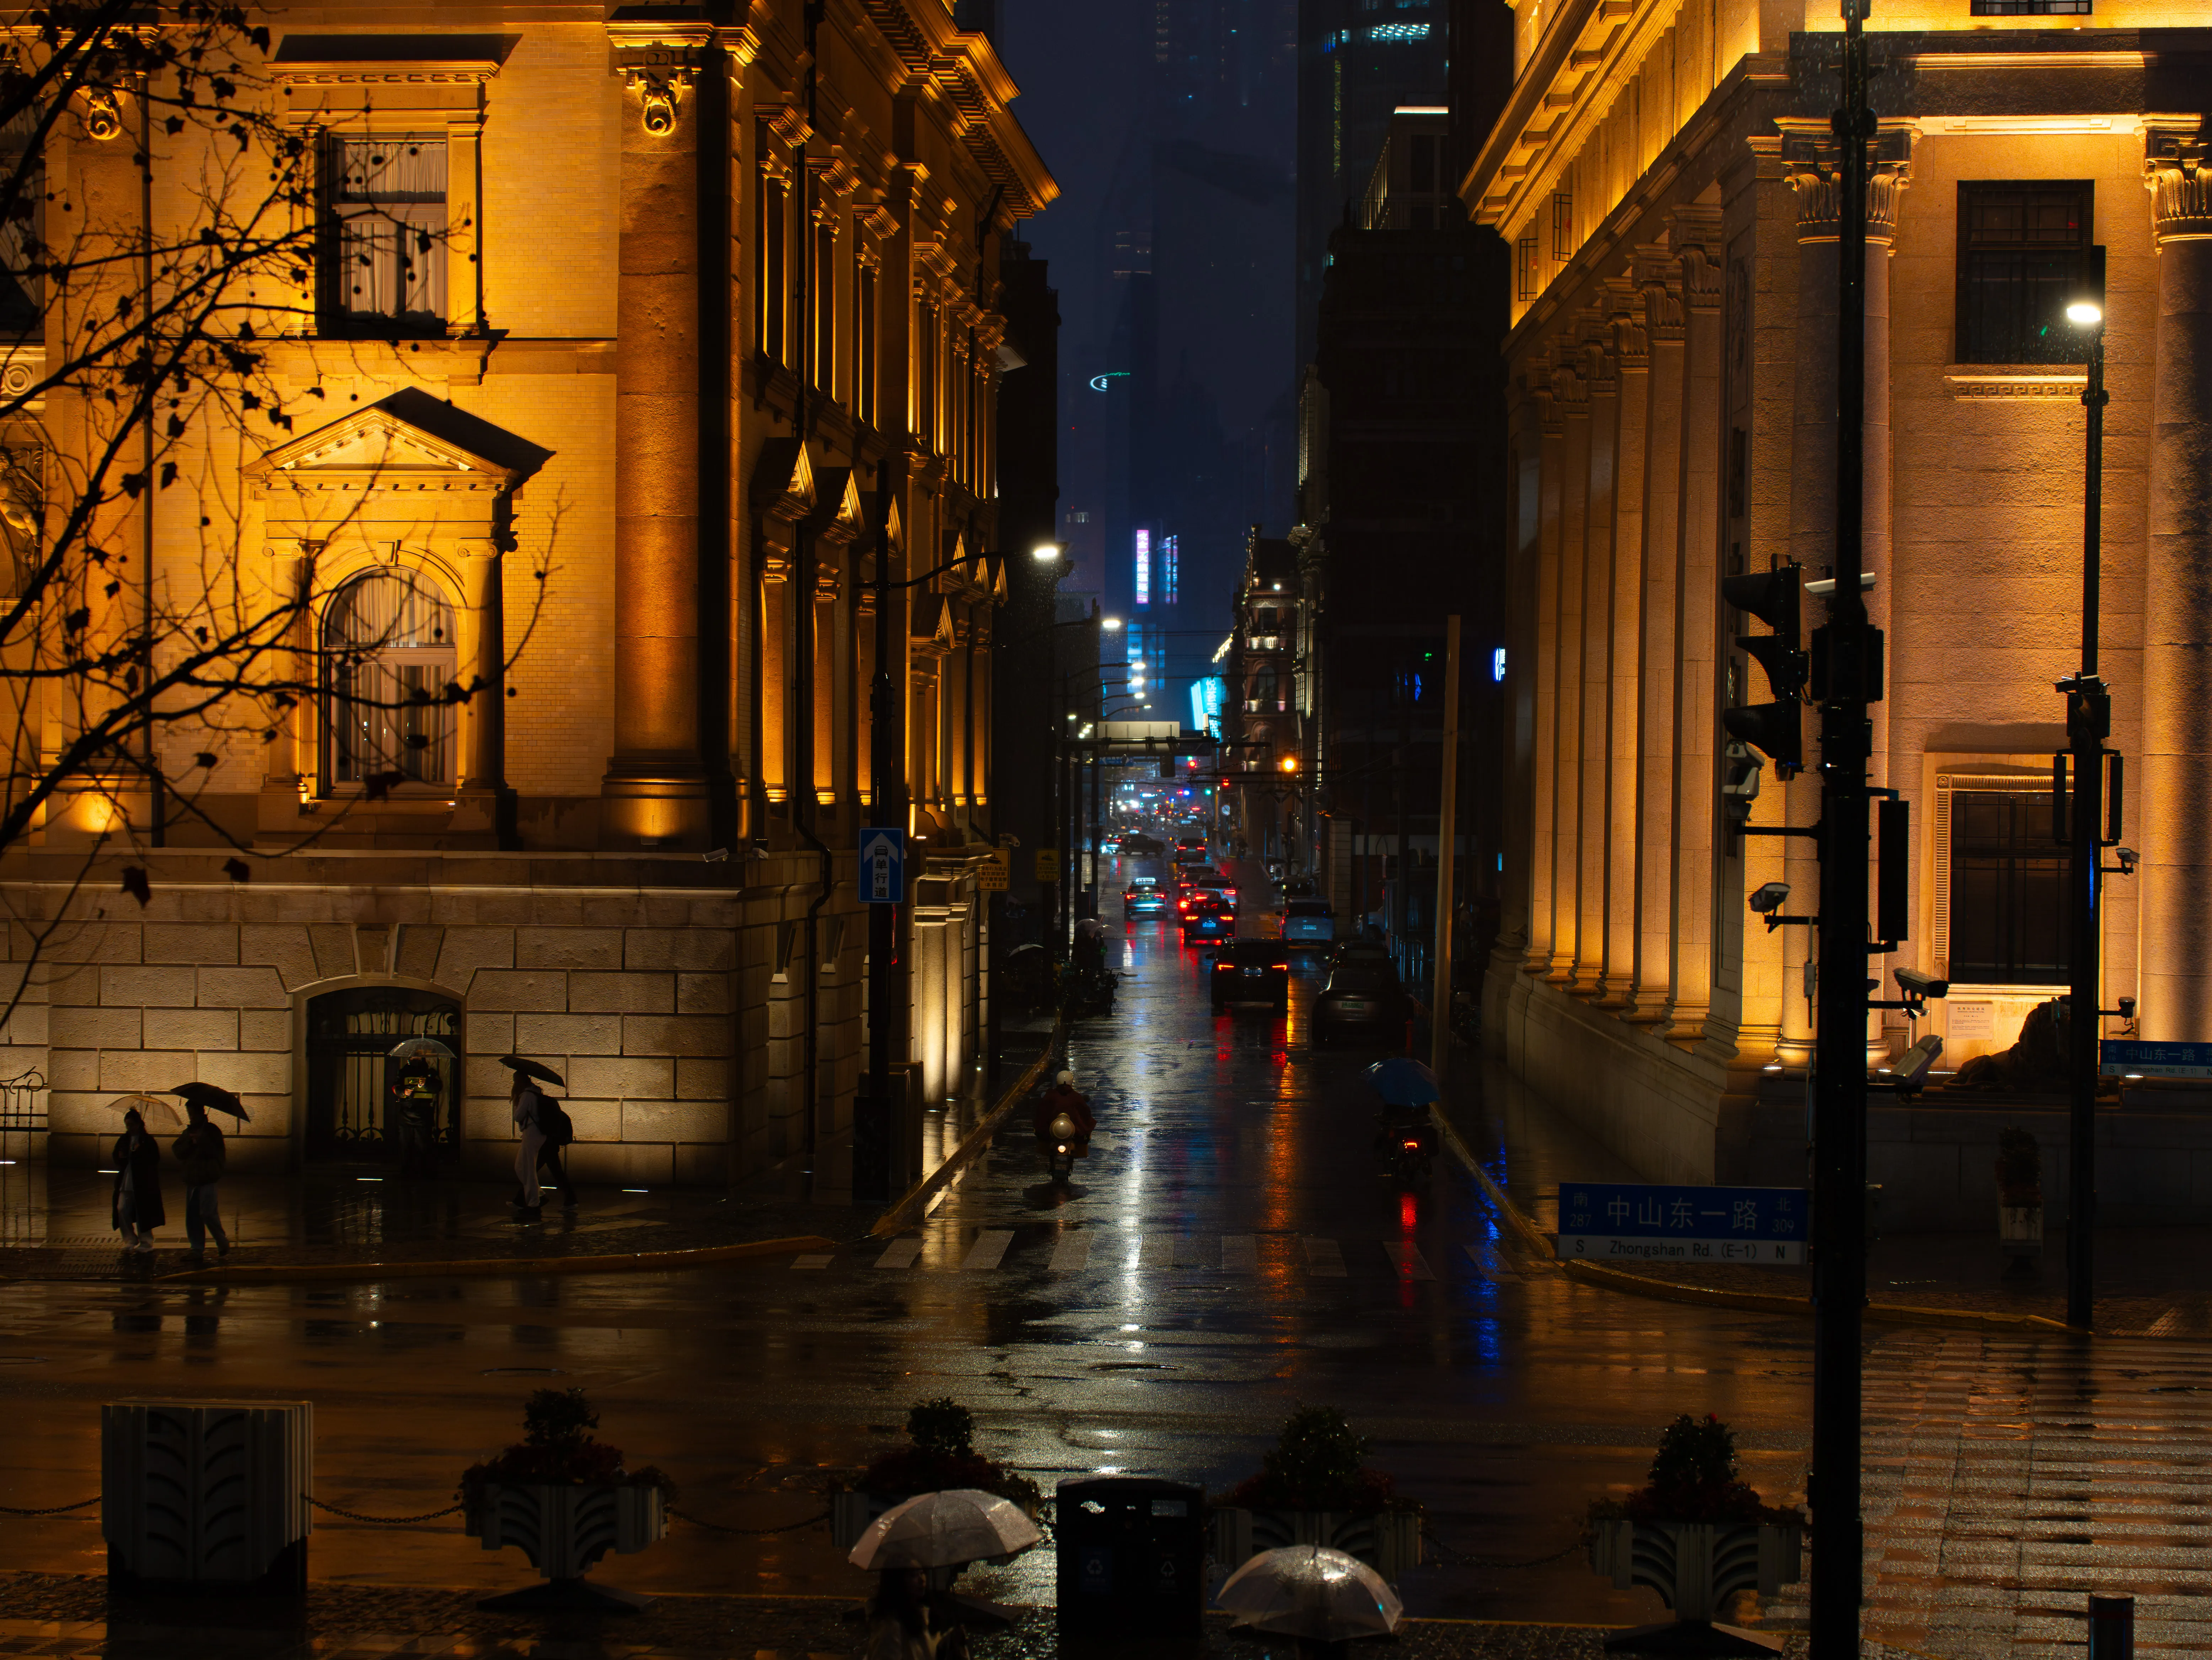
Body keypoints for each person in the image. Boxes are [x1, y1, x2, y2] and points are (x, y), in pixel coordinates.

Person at [863, 1565, 968, 1660]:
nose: (922, 1580)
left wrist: (954, 1643)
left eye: (922, 1573)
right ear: (897, 1581)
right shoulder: (890, 1628)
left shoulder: (927, 1616)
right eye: (913, 1575)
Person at [172, 1101, 230, 1263]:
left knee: (208, 1213)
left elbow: (215, 1152)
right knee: (193, 1215)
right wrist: (191, 1143)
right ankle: (197, 1249)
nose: (191, 1117)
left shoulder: (212, 1131)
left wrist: (202, 1141)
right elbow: (178, 1150)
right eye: (189, 1114)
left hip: (207, 1178)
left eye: (193, 1113)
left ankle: (222, 1241)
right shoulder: (188, 1132)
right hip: (193, 1179)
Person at [109, 1108, 166, 1255]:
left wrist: (140, 1152)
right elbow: (117, 1157)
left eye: (132, 1125)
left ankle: (146, 1241)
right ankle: (129, 1239)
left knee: (143, 1211)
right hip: (126, 1181)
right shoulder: (124, 1139)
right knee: (121, 1209)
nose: (129, 1128)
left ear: (139, 1124)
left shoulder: (147, 1141)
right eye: (127, 1125)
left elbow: (154, 1159)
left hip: (142, 1182)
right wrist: (121, 1156)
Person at [390, 1055, 441, 1179]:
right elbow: (395, 1087)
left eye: (418, 1056)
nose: (415, 1059)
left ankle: (424, 1172)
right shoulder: (404, 1071)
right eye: (413, 1056)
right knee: (405, 1144)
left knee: (423, 1144)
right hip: (406, 1112)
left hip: (423, 1113)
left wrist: (427, 1083)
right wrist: (403, 1092)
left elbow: (438, 1087)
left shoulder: (430, 1071)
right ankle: (406, 1172)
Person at [534, 1091, 577, 1208]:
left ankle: (535, 1198)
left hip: (546, 1148)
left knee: (529, 1173)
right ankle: (571, 1199)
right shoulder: (561, 1115)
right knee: (558, 1175)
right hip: (551, 1148)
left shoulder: (549, 1117)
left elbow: (545, 1131)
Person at [511, 1072, 545, 1214]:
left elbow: (518, 1116)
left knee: (528, 1168)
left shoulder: (527, 1096)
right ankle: (539, 1195)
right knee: (521, 1167)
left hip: (532, 1133)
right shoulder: (534, 1094)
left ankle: (534, 1203)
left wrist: (515, 1102)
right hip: (534, 1133)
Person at [1032, 1069, 1095, 1147]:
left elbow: (1041, 1113)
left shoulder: (1050, 1095)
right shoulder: (1076, 1097)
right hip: (1075, 1132)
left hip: (1050, 1132)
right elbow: (1086, 1113)